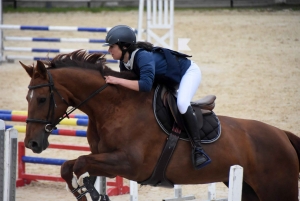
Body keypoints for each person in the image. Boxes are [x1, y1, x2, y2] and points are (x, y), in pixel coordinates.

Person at [103, 25, 211, 169]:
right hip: (164, 79)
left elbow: (145, 85)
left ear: (124, 46)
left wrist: (117, 80)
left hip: (187, 72)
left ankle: (198, 150)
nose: (109, 50)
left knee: (182, 104)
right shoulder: (125, 62)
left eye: (112, 46)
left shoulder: (142, 56)